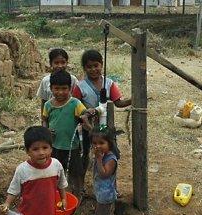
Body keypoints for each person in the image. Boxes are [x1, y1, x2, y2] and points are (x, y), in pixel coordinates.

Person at [72, 49, 131, 192]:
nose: (93, 69)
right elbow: (75, 107)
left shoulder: (109, 84)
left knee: (111, 154)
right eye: (89, 66)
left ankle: (111, 187)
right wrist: (85, 115)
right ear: (84, 68)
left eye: (96, 65)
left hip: (106, 130)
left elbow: (118, 103)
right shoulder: (80, 86)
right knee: (85, 154)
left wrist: (135, 99)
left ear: (102, 65)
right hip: (87, 129)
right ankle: (80, 187)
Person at [42, 70, 90, 199]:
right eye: (56, 89)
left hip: (72, 146)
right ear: (51, 88)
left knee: (76, 172)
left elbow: (84, 115)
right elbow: (44, 120)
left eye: (64, 89)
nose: (60, 92)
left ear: (70, 88)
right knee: (55, 171)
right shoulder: (48, 105)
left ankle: (78, 194)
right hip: (55, 146)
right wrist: (46, 130)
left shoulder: (75, 103)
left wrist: (86, 119)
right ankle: (57, 195)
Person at [87, 126, 118, 215]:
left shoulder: (110, 159)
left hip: (105, 196)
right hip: (104, 194)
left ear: (109, 143)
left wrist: (99, 160)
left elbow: (104, 174)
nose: (97, 146)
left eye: (101, 143)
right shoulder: (103, 155)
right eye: (94, 143)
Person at [36, 48, 79, 122]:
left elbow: (77, 100)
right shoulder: (45, 81)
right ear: (50, 63)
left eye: (63, 62)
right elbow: (44, 101)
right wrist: (43, 120)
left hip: (69, 117)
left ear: (67, 63)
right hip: (52, 118)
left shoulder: (73, 80)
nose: (60, 66)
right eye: (56, 63)